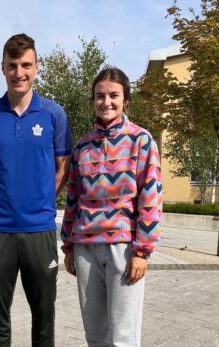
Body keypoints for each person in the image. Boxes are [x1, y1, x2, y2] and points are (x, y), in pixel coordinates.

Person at [0, 33, 72, 346]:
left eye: (26, 65)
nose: (19, 72)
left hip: (39, 231)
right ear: (2, 68)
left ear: (36, 67)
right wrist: (0, 203)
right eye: (12, 65)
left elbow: (62, 168)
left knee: (44, 317)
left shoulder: (54, 115)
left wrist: (39, 201)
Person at [61, 67, 162, 347]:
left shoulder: (142, 141)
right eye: (100, 96)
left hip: (124, 248)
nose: (106, 102)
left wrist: (142, 251)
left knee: (123, 337)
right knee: (95, 335)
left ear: (125, 99)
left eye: (113, 95)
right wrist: (68, 245)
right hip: (85, 248)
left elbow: (150, 198)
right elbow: (73, 198)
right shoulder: (82, 146)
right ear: (93, 100)